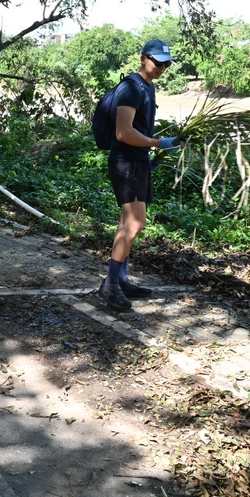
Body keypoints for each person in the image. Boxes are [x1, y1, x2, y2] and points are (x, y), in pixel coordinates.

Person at [99, 39, 183, 312]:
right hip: (125, 162)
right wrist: (159, 144)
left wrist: (150, 153)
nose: (162, 67)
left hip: (137, 161)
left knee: (126, 224)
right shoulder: (131, 88)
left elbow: (138, 130)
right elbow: (123, 132)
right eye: (157, 62)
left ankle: (120, 279)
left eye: (166, 63)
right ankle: (110, 284)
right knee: (136, 225)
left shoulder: (149, 87)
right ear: (143, 58)